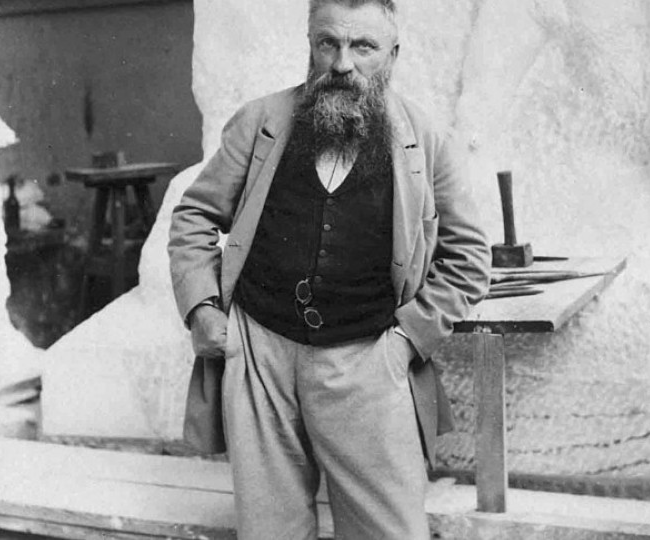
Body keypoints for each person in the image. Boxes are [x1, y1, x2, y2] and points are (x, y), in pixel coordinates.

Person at [167, 1, 491, 538]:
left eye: (363, 46)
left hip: (368, 360)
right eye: (328, 43)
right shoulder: (260, 122)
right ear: (311, 44)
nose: (342, 63)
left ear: (392, 54)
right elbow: (195, 215)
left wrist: (406, 342)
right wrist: (202, 308)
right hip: (261, 355)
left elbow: (469, 259)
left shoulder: (426, 141)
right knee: (270, 531)